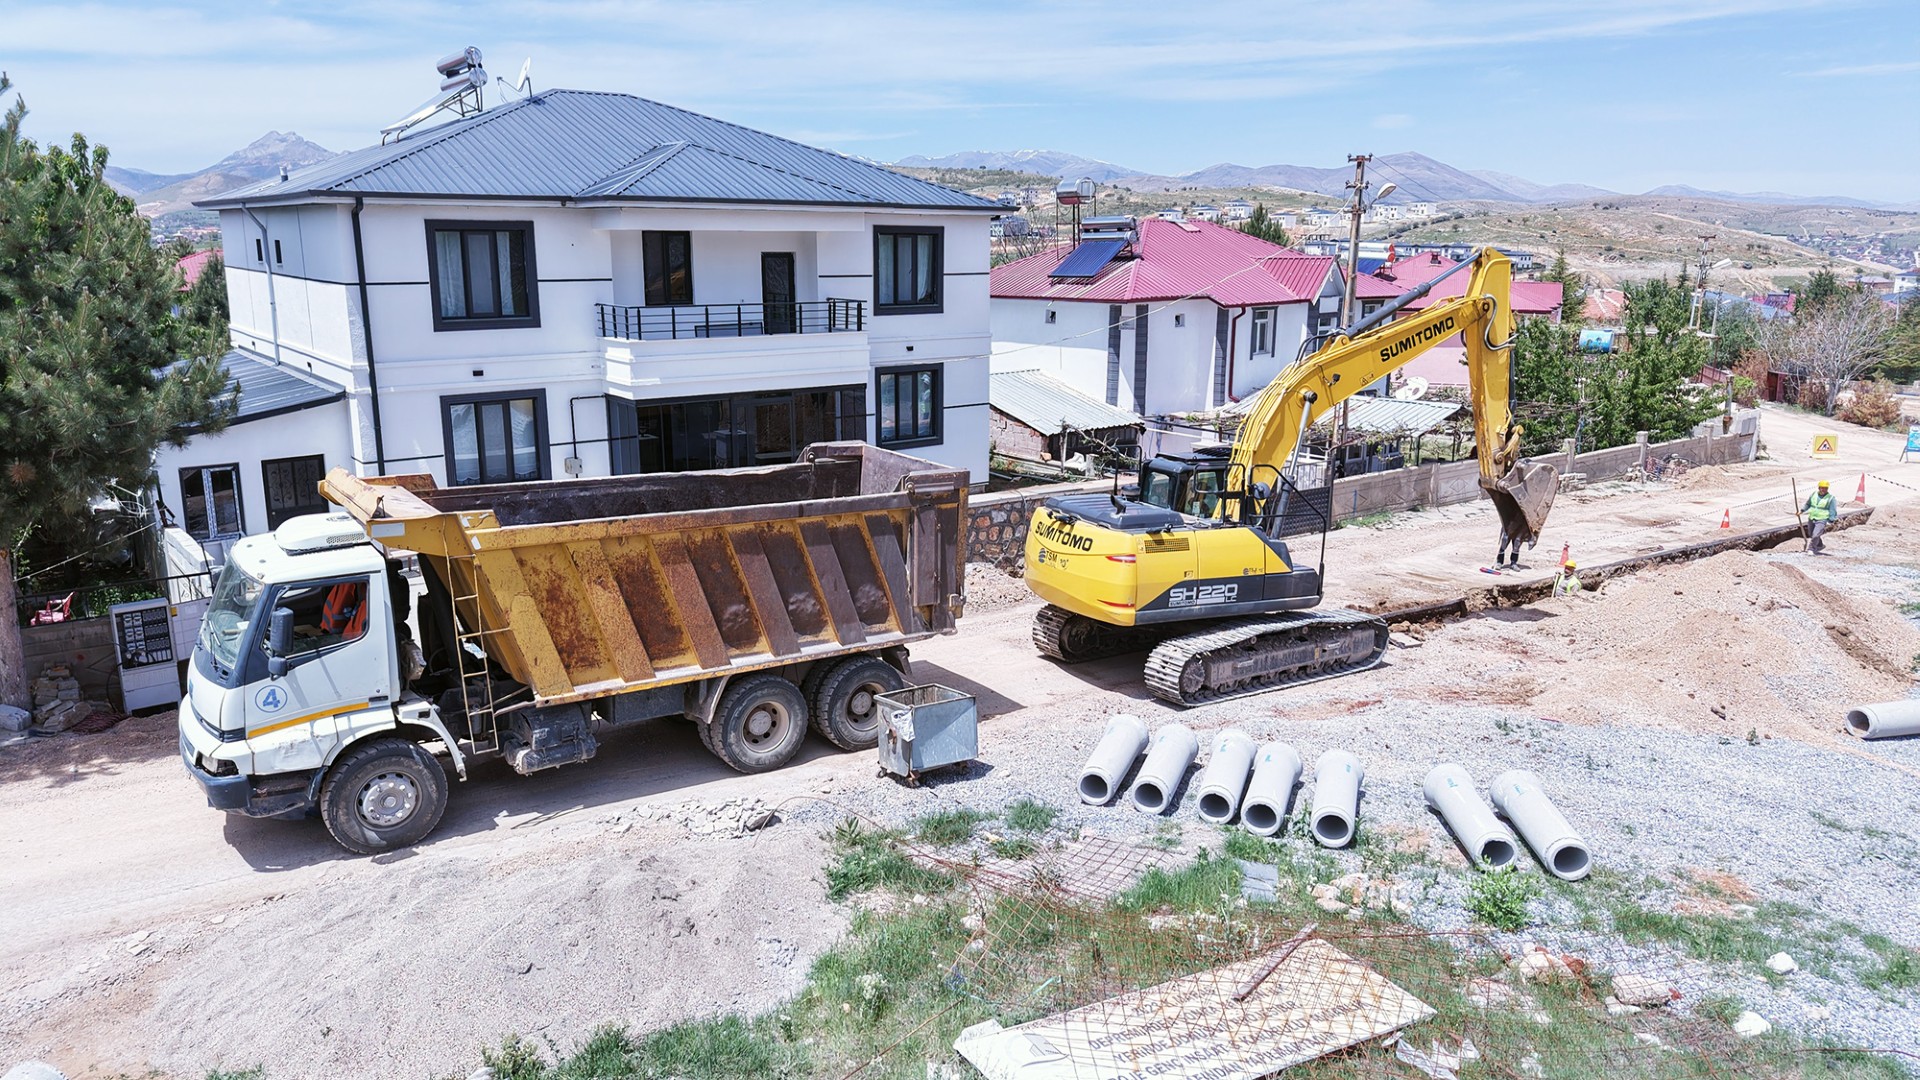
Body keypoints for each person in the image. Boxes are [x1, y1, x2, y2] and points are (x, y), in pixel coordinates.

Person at [1803, 480, 1837, 555]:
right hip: (1812, 517)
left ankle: (1811, 549)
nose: (1823, 490)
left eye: (1825, 488)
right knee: (1811, 534)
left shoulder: (1830, 498)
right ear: (1819, 488)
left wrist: (1831, 519)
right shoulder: (1813, 495)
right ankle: (1819, 545)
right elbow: (1808, 504)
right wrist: (1802, 510)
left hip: (1822, 518)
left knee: (1816, 534)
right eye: (1822, 488)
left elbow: (1833, 509)